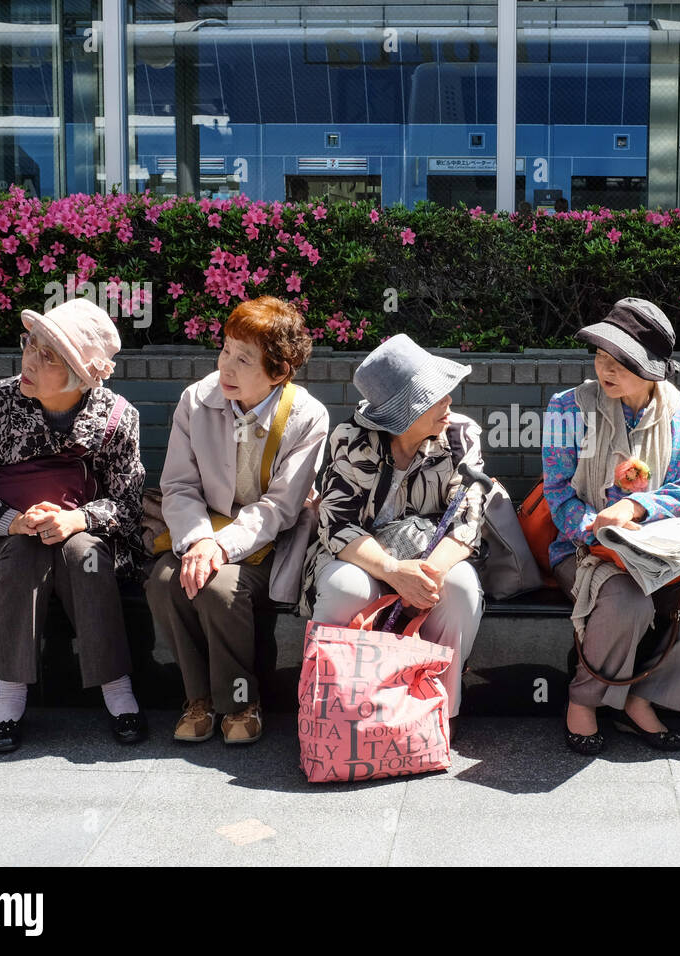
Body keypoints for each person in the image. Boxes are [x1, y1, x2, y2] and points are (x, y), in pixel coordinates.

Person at [0, 298, 147, 753]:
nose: (28, 360)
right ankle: (10, 693)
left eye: (46, 355)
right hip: (8, 534)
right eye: (30, 345)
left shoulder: (116, 416)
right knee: (22, 552)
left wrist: (77, 519)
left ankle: (117, 687)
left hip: (86, 531)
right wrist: (11, 522)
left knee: (84, 555)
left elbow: (129, 503)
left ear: (78, 373)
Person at [543, 298, 680, 755]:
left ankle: (643, 696)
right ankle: (584, 699)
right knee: (626, 596)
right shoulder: (567, 409)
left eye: (620, 363)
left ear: (653, 370)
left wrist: (637, 510)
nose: (605, 370)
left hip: (663, 556)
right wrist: (600, 532)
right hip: (583, 549)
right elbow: (557, 494)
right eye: (600, 358)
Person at [145, 296, 329, 745]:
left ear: (279, 371)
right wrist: (199, 540)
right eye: (225, 350)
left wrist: (221, 548)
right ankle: (199, 699)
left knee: (222, 586)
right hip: (202, 529)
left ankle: (241, 700)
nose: (225, 367)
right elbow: (180, 486)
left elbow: (282, 506)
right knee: (164, 581)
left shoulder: (308, 417)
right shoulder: (196, 400)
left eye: (243, 359)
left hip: (271, 539)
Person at [304, 335, 487, 735]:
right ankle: (330, 711)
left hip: (432, 555)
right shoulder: (352, 441)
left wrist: (425, 573)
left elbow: (469, 515)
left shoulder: (459, 438)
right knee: (345, 588)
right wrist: (392, 570)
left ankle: (438, 714)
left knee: (460, 588)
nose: (449, 403)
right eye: (436, 397)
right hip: (361, 557)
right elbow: (336, 524)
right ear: (407, 411)